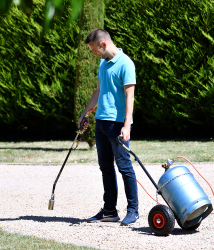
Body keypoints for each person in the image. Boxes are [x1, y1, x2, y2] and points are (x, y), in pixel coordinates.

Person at [78, 28, 139, 226]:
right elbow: (98, 90)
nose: (93, 53)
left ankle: (133, 210)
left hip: (117, 124)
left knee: (124, 167)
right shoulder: (102, 63)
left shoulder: (126, 64)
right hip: (102, 123)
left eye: (94, 50)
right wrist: (85, 112)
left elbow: (130, 96)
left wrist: (127, 125)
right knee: (105, 168)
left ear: (103, 44)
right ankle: (110, 211)